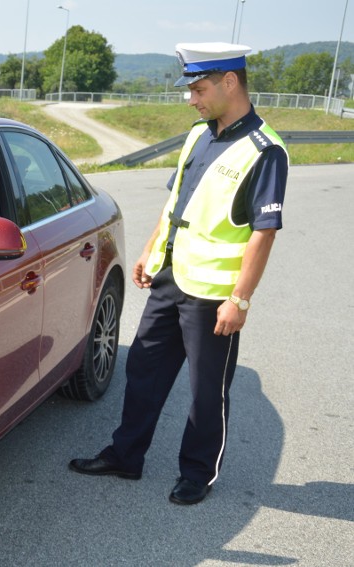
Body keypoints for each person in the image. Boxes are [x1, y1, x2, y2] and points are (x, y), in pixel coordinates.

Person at [68, 42, 289, 505]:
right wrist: (151, 251)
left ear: (231, 82)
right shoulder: (198, 135)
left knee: (206, 392)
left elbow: (263, 233)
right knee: (144, 370)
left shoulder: (266, 151)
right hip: (171, 278)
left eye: (200, 88)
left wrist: (240, 299)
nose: (193, 98)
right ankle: (125, 456)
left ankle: (197, 473)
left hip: (214, 294)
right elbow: (176, 204)